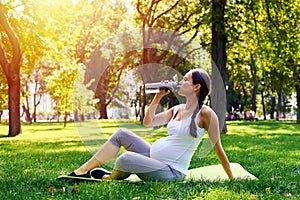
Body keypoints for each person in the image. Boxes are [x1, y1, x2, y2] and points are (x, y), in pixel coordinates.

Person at [68, 68, 234, 181]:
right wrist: (158, 97)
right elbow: (148, 122)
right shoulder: (177, 109)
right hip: (152, 157)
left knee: (126, 159)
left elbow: (217, 148)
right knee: (121, 134)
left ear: (196, 87)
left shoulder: (206, 114)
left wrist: (232, 178)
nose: (180, 82)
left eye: (185, 80)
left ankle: (109, 178)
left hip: (172, 171)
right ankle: (82, 171)